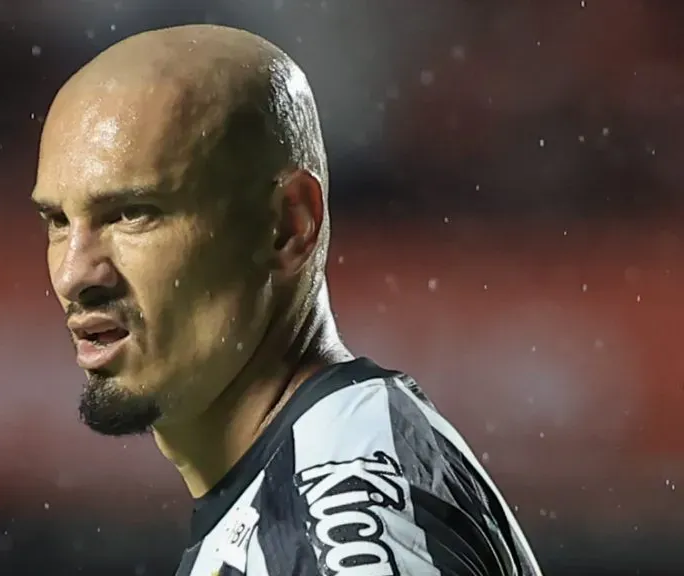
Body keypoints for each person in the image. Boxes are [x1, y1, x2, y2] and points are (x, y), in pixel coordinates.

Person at [31, 23, 542, 576]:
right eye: (57, 221)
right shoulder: (297, 492)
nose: (72, 274)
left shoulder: (332, 513)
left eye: (132, 213)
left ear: (287, 226)